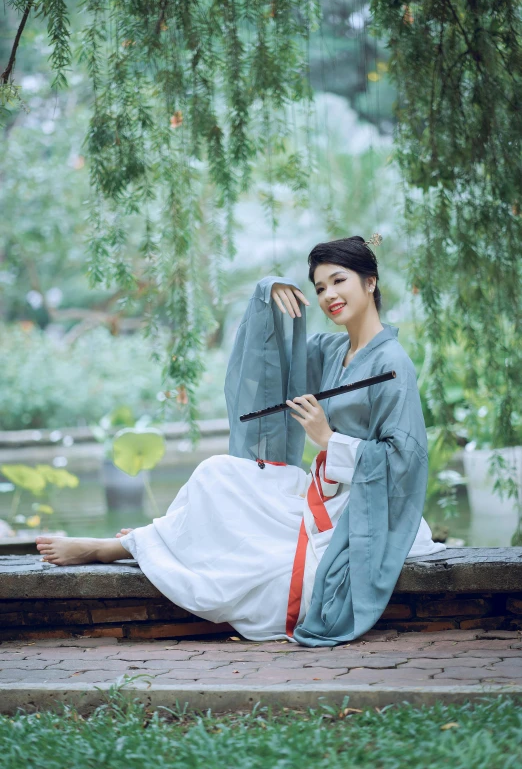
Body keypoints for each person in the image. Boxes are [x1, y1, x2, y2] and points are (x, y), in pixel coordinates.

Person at [36, 235, 445, 646]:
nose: (329, 295)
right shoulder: (334, 350)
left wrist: (329, 438)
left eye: (339, 281)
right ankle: (150, 539)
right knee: (217, 473)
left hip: (364, 508)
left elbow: (404, 462)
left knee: (259, 561)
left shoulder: (393, 364)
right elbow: (269, 363)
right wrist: (268, 291)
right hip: (325, 491)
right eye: (320, 287)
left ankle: (117, 548)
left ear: (370, 282)